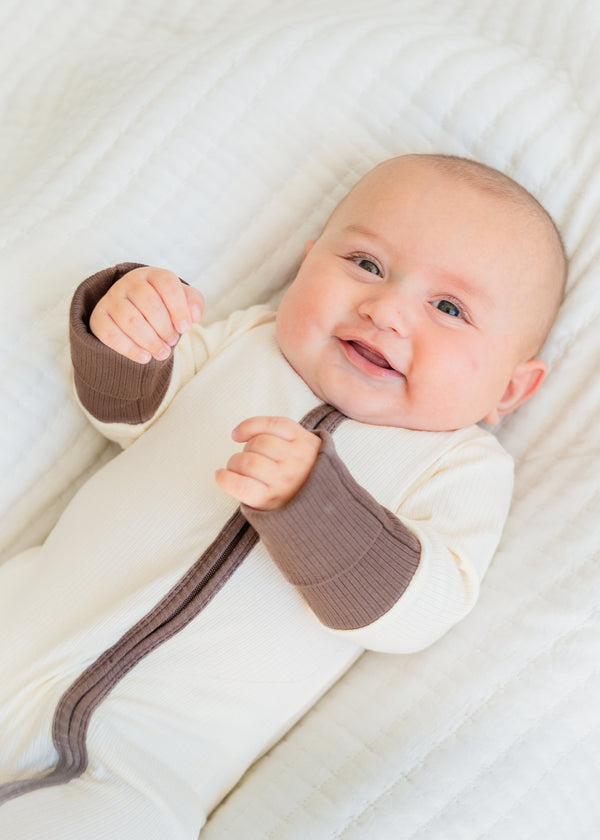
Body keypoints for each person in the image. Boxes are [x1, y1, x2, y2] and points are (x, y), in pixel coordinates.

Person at [0, 154, 566, 839]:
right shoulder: (248, 344)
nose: (385, 309)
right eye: (366, 263)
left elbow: (424, 610)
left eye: (449, 308)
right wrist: (128, 327)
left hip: (134, 773)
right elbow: (127, 412)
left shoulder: (462, 466)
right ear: (306, 264)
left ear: (511, 388)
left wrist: (317, 508)